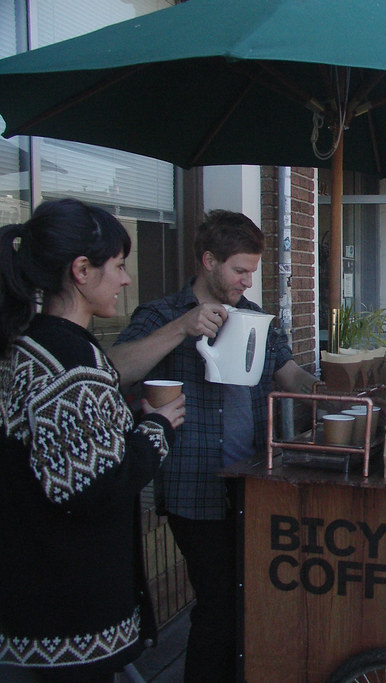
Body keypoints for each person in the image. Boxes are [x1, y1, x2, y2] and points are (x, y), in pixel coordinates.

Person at [109, 210, 317, 682]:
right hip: (193, 485)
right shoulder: (161, 315)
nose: (248, 281)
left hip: (256, 482)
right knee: (219, 603)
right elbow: (113, 370)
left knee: (254, 600)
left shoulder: (257, 319)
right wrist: (183, 327)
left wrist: (332, 394)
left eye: (252, 271)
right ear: (208, 261)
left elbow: (289, 374)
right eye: (239, 270)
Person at [0, 199, 185, 683]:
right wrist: (159, 428)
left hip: (37, 598)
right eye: (119, 266)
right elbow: (94, 486)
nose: (126, 279)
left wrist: (129, 421)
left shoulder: (28, 345)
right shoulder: (70, 362)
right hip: (69, 616)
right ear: (81, 270)